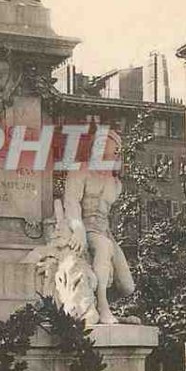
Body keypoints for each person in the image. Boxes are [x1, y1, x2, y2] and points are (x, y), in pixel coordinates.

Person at [63, 130, 136, 324]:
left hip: (105, 231)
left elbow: (110, 215)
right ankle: (103, 307)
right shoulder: (80, 170)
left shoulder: (115, 182)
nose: (109, 156)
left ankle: (103, 306)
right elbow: (71, 202)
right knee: (104, 246)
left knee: (128, 287)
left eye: (112, 152)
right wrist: (77, 228)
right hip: (85, 227)